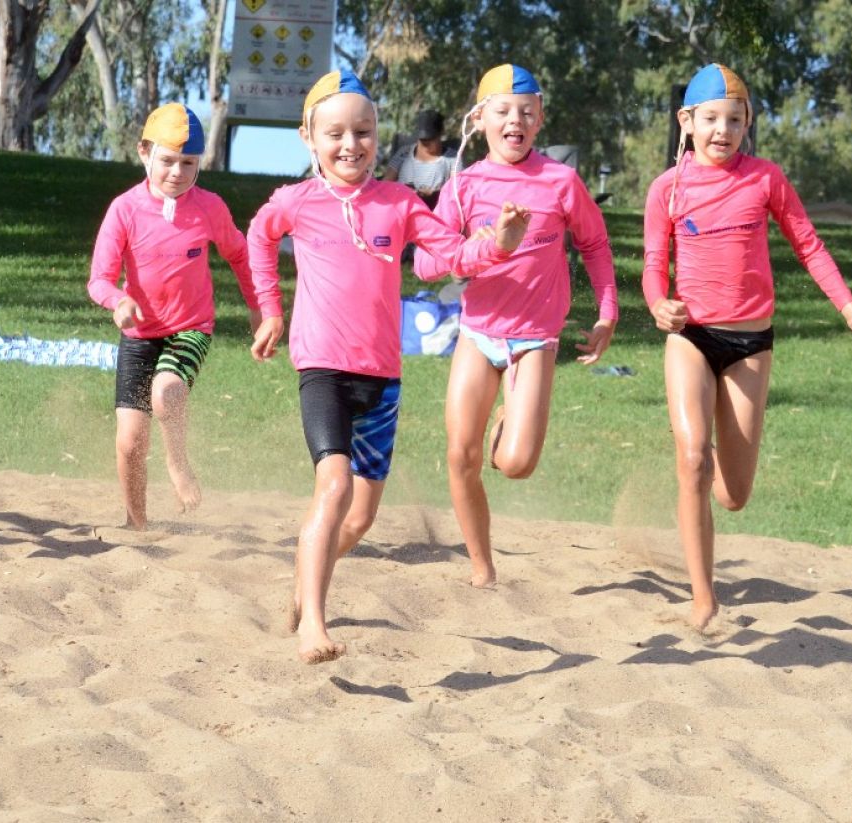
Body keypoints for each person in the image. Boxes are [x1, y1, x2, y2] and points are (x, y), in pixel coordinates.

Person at [248, 69, 531, 664]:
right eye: (335, 134)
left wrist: (498, 243)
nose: (350, 144)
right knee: (332, 485)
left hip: (382, 378)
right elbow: (257, 236)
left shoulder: (399, 203)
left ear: (379, 136)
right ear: (308, 137)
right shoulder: (295, 202)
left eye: (363, 132)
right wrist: (270, 312)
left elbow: (449, 253)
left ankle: (305, 585)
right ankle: (313, 628)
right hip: (322, 369)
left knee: (362, 516)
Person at [642, 63, 852, 630]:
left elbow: (810, 245)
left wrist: (850, 310)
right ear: (687, 121)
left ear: (747, 122)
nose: (722, 131)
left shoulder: (765, 179)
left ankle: (703, 496)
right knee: (693, 458)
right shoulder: (667, 188)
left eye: (734, 120)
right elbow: (655, 263)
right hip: (691, 337)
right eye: (710, 120)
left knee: (732, 495)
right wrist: (659, 303)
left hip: (751, 341)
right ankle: (704, 599)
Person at [415, 64, 619, 588]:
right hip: (478, 331)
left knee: (517, 463)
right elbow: (427, 266)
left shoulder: (561, 181)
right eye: (503, 110)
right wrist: (491, 246)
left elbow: (594, 244)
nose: (516, 120)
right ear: (480, 119)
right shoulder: (464, 186)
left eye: (527, 112)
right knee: (460, 454)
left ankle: (509, 414)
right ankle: (482, 567)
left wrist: (607, 310)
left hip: (534, 336)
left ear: (541, 118)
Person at [88, 103, 261, 530]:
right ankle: (137, 524)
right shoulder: (124, 209)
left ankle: (178, 463)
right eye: (167, 160)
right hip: (139, 335)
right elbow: (99, 280)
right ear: (144, 152)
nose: (177, 172)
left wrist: (260, 310)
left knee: (167, 394)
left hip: (190, 328)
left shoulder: (210, 207)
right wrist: (119, 302)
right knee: (130, 441)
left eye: (189, 163)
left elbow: (241, 256)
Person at [383, 109, 455, 209]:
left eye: (430, 139)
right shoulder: (404, 152)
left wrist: (434, 195)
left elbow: (456, 191)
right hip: (401, 205)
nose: (425, 144)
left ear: (440, 133)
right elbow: (386, 183)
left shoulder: (452, 158)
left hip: (433, 210)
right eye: (422, 140)